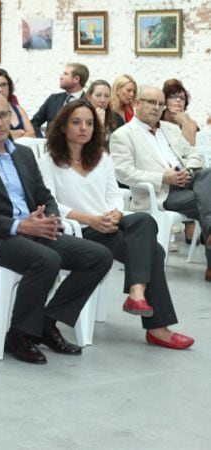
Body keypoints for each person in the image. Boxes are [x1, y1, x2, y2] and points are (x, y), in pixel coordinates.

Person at [0, 91, 112, 364]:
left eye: (4, 114)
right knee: (47, 259)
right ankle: (19, 334)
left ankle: (47, 322)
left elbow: (45, 196)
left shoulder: (22, 154)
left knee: (98, 256)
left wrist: (51, 217)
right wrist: (19, 226)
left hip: (37, 229)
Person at [39, 100, 194, 350]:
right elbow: (51, 203)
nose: (83, 128)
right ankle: (156, 326)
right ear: (63, 127)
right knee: (154, 252)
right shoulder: (49, 161)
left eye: (89, 123)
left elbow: (115, 195)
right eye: (76, 122)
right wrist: (92, 220)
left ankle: (137, 295)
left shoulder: (101, 158)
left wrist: (114, 214)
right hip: (79, 230)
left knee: (143, 219)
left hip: (109, 223)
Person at [110, 86, 211, 281]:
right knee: (204, 200)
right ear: (138, 103)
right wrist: (163, 177)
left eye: (160, 104)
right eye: (151, 102)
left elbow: (193, 153)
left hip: (187, 180)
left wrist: (188, 171)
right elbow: (123, 172)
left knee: (208, 175)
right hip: (160, 192)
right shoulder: (123, 135)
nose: (156, 108)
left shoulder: (170, 129)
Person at [30, 63, 89, 137]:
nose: (61, 77)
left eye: (65, 74)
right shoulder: (53, 99)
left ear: (76, 79)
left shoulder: (88, 102)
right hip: (52, 146)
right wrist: (41, 140)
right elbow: (34, 123)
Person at [0, 68, 35, 140]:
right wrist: (17, 133)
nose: (0, 90)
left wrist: (12, 136)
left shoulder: (18, 109)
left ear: (9, 86)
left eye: (4, 85)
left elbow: (32, 134)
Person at [85, 79, 125, 145]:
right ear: (89, 97)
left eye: (106, 96)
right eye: (98, 95)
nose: (102, 100)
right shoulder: (81, 116)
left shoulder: (117, 119)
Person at [161, 79, 199, 146]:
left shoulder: (190, 123)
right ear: (165, 100)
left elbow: (190, 149)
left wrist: (185, 124)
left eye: (182, 98)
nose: (178, 100)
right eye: (173, 97)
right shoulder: (158, 118)